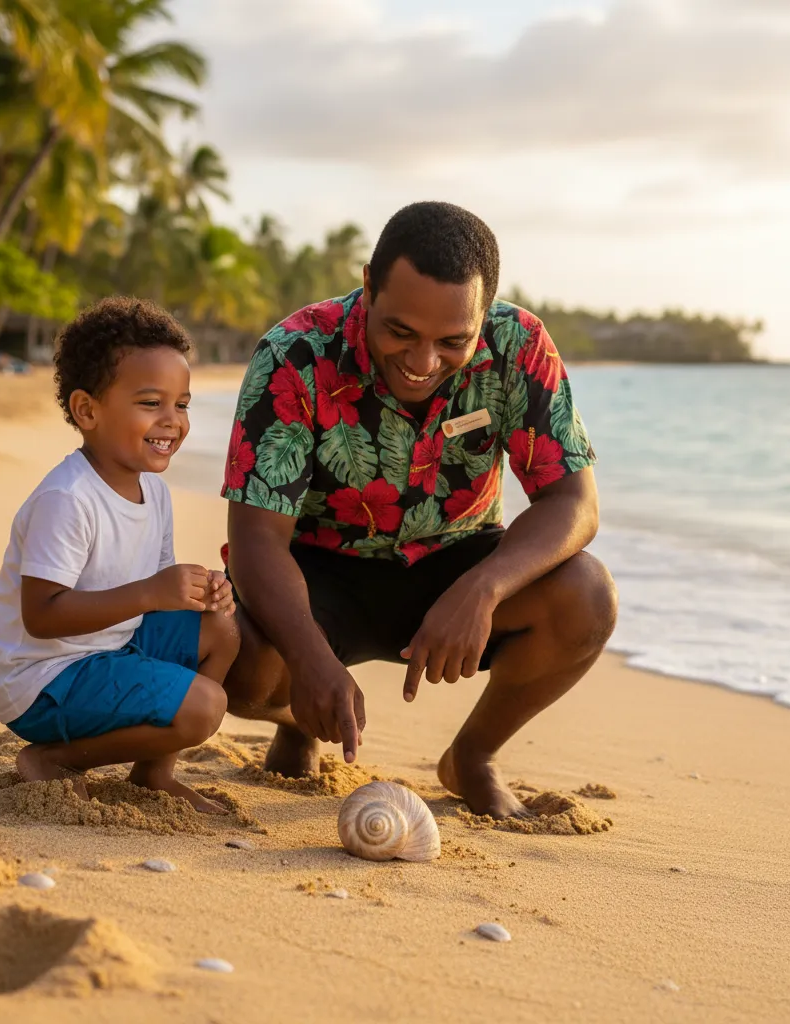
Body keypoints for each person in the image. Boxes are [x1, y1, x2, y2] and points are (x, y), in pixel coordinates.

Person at [220, 201, 619, 819]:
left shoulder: (520, 345)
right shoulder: (295, 353)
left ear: (484, 316)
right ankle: (301, 720)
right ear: (369, 285)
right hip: (320, 570)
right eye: (400, 332)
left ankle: (472, 758)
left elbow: (575, 502)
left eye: (452, 341)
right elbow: (256, 541)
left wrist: (484, 590)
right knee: (233, 657)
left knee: (587, 596)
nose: (422, 362)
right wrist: (308, 657)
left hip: (455, 564)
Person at [0, 297, 240, 812]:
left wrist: (197, 591)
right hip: (45, 678)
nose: (173, 422)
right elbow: (41, 615)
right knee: (204, 708)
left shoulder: (154, 491)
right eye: (151, 404)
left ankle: (152, 772)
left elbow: (153, 587)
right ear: (88, 410)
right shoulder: (68, 498)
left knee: (222, 631)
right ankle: (56, 758)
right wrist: (152, 591)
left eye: (182, 404)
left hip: (108, 648)